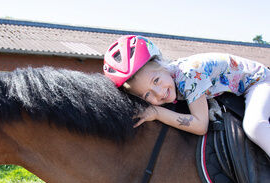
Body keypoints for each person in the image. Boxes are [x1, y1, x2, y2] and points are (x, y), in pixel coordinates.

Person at [103, 35, 270, 157]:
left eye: (156, 80)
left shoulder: (189, 75)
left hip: (259, 81)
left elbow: (200, 125)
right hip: (234, 88)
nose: (160, 93)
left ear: (163, 67)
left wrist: (157, 113)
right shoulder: (172, 79)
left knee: (254, 126)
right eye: (147, 94)